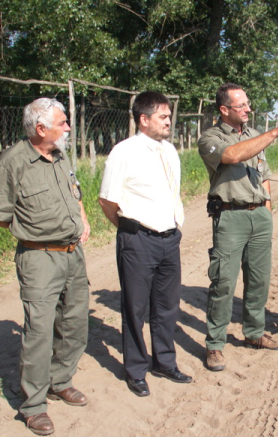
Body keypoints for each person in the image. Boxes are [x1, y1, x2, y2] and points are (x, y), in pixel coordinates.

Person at [0, 98, 91, 436]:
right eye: (63, 122)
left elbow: (75, 193)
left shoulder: (60, 155)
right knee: (39, 332)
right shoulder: (13, 162)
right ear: (41, 129)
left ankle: (61, 380)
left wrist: (83, 220)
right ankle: (33, 406)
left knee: (74, 323)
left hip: (73, 254)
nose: (68, 128)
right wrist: (30, 232)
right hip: (39, 258)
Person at [198, 83, 278, 372]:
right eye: (241, 105)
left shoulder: (252, 134)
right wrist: (275, 132)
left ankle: (255, 333)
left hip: (258, 214)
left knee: (259, 279)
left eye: (248, 103)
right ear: (224, 110)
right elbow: (233, 156)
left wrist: (268, 207)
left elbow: (264, 172)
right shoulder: (210, 138)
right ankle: (215, 345)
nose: (248, 109)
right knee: (223, 282)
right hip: (231, 217)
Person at [99, 91, 192, 397]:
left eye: (169, 116)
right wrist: (130, 230)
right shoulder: (124, 152)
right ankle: (136, 369)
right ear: (144, 119)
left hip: (168, 239)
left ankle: (164, 362)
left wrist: (175, 225)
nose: (169, 121)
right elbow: (107, 200)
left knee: (166, 307)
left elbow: (172, 191)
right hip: (138, 239)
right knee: (135, 308)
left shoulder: (170, 150)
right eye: (163, 116)